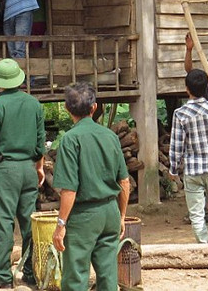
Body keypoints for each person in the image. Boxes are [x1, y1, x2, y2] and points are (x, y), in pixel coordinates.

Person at [0, 59, 45, 288]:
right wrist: (40, 167)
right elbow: (41, 140)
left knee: (4, 223)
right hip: (28, 169)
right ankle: (32, 273)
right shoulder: (34, 105)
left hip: (6, 170)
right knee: (29, 222)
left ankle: (2, 275)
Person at [52, 83, 131, 291]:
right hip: (109, 212)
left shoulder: (70, 139)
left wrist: (61, 225)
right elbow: (124, 181)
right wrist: (121, 216)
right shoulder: (110, 136)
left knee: (76, 276)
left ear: (67, 108)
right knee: (108, 276)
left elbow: (69, 190)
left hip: (83, 216)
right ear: (94, 107)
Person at [168, 69, 208, 242]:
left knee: (196, 212)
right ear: (207, 88)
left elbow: (176, 145)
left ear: (187, 88)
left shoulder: (180, 114)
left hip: (192, 169)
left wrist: (173, 169)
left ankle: (204, 244)